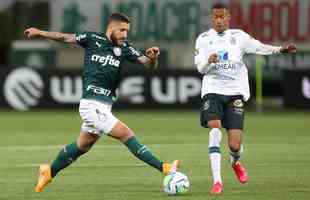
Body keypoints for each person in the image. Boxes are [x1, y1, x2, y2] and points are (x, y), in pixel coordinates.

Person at [24, 12, 179, 193]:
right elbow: (64, 37)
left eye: (127, 31)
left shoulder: (125, 48)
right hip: (91, 104)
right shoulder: (92, 38)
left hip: (105, 105)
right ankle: (164, 168)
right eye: (121, 30)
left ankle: (48, 172)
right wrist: (40, 32)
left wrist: (153, 57)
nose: (125, 34)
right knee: (125, 133)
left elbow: (147, 64)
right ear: (111, 28)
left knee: (83, 146)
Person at [194, 3, 296, 194]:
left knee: (234, 145)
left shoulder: (239, 36)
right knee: (214, 131)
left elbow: (259, 47)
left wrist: (279, 50)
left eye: (222, 16)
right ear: (211, 18)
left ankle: (235, 161)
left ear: (228, 17)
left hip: (235, 93)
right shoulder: (203, 39)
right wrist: (209, 61)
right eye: (215, 17)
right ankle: (217, 182)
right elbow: (200, 69)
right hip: (213, 91)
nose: (219, 20)